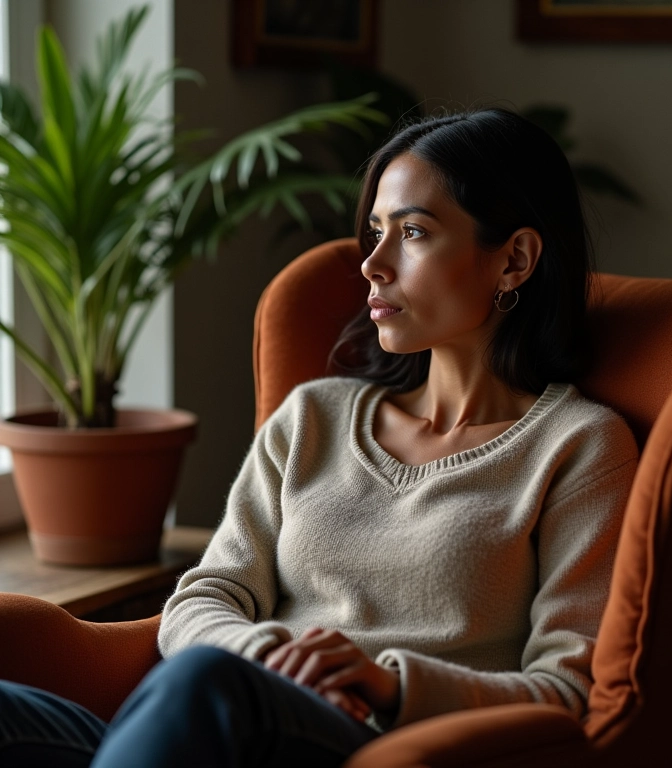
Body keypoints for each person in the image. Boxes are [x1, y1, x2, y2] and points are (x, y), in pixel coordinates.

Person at [0, 107, 638, 767]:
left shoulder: (578, 447)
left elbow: (566, 691)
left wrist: (386, 684)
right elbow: (205, 597)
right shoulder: (314, 417)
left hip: (369, 746)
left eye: (413, 232)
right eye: (376, 233)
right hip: (215, 721)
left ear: (515, 260)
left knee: (208, 682)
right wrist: (264, 659)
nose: (374, 265)